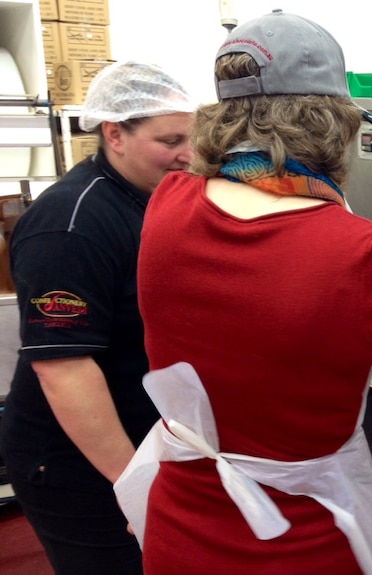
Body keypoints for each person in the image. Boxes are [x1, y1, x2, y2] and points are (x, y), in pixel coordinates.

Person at [115, 10, 372, 575]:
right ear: (335, 123)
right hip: (299, 548)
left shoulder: (169, 203)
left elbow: (245, 324)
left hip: (179, 535)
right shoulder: (368, 254)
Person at [0, 61, 195, 574]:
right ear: (115, 134)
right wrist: (133, 480)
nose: (188, 154)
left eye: (191, 138)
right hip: (74, 462)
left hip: (138, 435)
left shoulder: (144, 198)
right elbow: (62, 368)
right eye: (170, 139)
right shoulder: (71, 224)